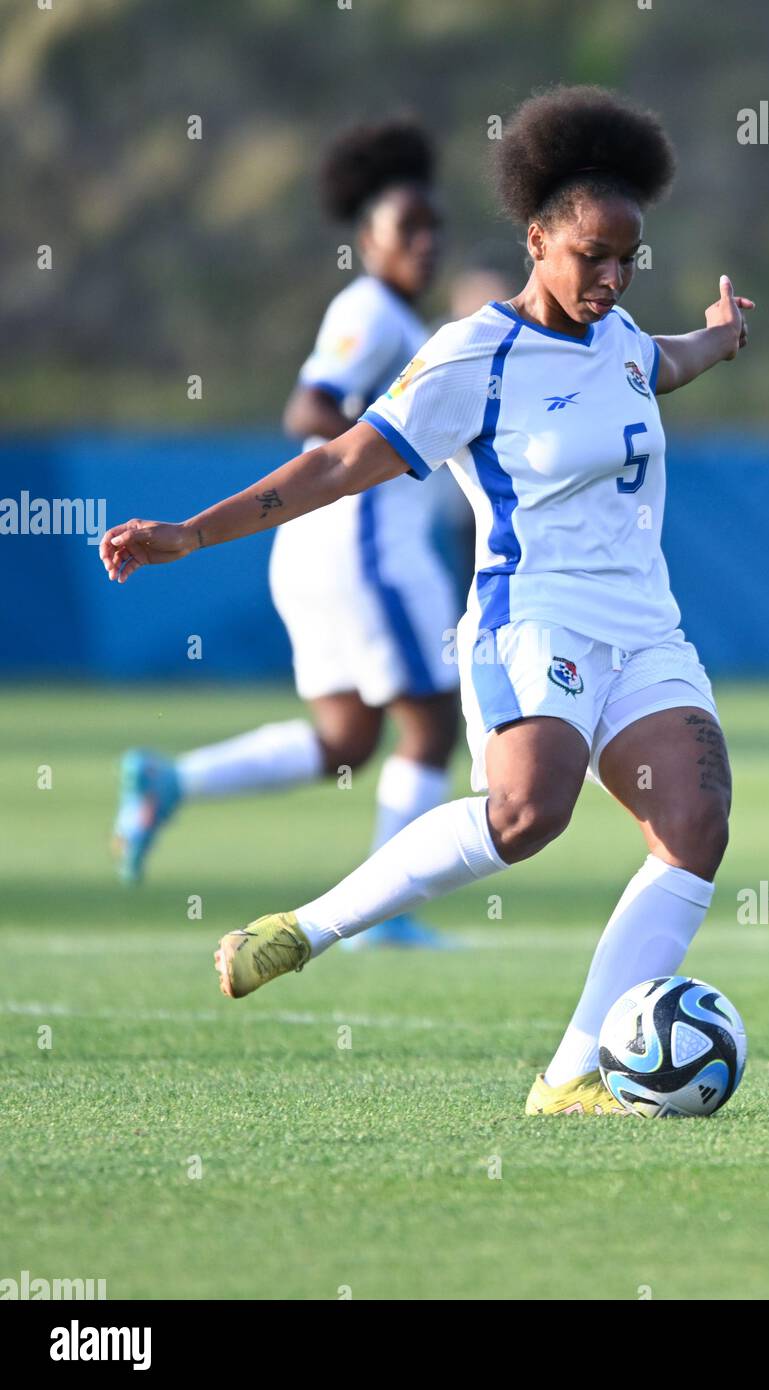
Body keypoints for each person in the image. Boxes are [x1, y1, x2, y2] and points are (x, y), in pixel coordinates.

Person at [100, 85, 754, 1115]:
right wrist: (189, 531)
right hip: (530, 618)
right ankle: (305, 929)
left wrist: (716, 336)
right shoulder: (469, 359)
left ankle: (571, 1075)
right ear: (536, 237)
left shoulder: (620, 335)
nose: (612, 276)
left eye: (629, 258)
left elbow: (658, 363)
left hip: (646, 627)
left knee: (696, 822)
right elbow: (333, 463)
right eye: (592, 254)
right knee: (526, 813)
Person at [111, 117, 461, 950]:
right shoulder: (370, 308)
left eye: (433, 226)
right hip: (364, 543)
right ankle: (389, 912)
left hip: (319, 546)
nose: (425, 241)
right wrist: (375, 451)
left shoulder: (401, 317)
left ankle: (172, 780)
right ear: (366, 237)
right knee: (434, 724)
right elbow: (310, 404)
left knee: (347, 741)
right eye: (405, 227)